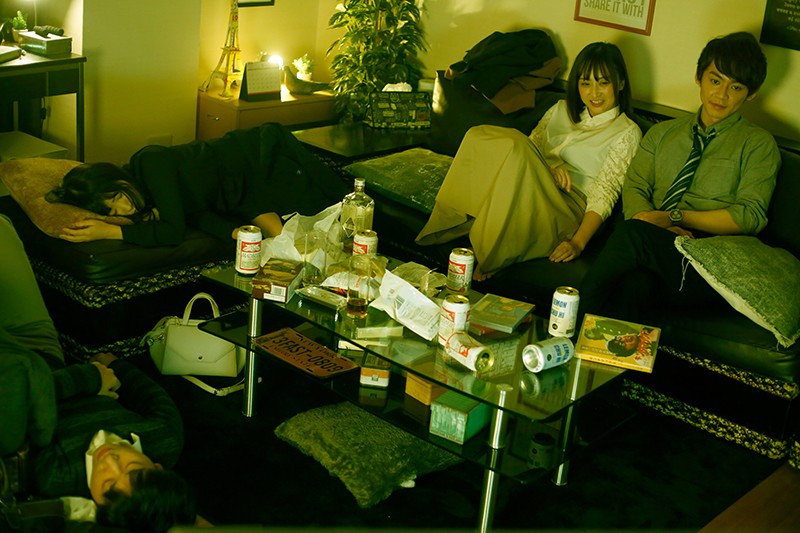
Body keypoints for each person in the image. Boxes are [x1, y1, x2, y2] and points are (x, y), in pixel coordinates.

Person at [0, 214, 196, 531]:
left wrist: (92, 378)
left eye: (107, 485)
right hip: (42, 349)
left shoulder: (58, 475)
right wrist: (115, 365)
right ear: (157, 466)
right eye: (132, 468)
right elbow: (153, 397)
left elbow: (21, 398)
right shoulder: (164, 439)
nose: (110, 462)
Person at [579, 32, 781, 324]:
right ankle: (593, 351)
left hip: (711, 263)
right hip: (654, 249)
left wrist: (673, 217)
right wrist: (657, 228)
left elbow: (750, 216)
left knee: (632, 234)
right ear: (699, 77)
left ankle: (563, 327)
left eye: (735, 87)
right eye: (715, 81)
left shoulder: (758, 144)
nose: (722, 95)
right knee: (636, 285)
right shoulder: (662, 134)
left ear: (751, 94)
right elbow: (635, 186)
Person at [415, 42, 642, 278]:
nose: (594, 93)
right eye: (586, 83)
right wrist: (548, 170)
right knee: (478, 134)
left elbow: (605, 194)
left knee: (515, 145)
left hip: (567, 206)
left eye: (603, 83)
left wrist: (578, 243)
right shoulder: (560, 109)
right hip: (532, 186)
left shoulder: (627, 132)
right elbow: (530, 150)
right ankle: (451, 222)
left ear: (620, 83)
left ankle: (489, 250)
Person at [45, 123, 349, 247]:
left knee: (330, 218)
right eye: (112, 211)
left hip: (257, 162)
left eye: (118, 197)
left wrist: (111, 231)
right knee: (283, 242)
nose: (124, 208)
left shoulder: (150, 163)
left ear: (118, 179)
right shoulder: (147, 198)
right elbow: (195, 211)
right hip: (239, 195)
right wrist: (231, 232)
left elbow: (174, 230)